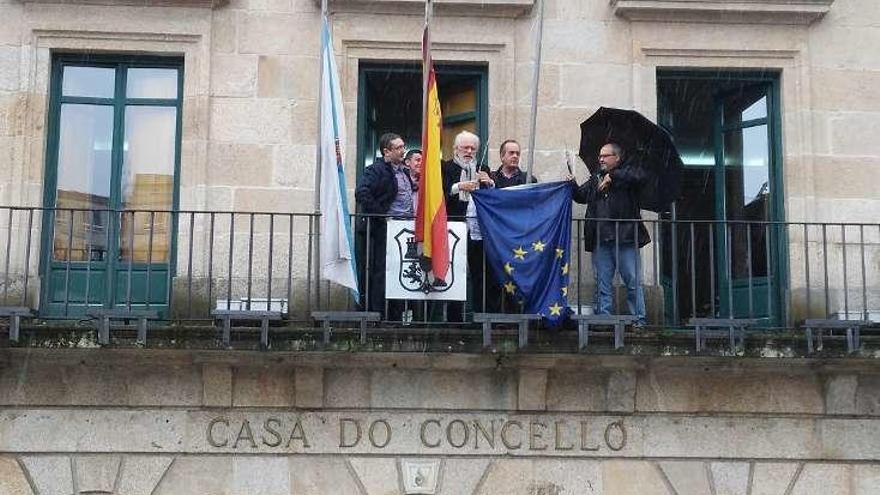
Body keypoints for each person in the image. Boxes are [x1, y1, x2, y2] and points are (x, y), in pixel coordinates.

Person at [571, 142, 649, 326]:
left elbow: (640, 177)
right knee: (602, 284)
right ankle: (603, 320)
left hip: (626, 237)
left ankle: (639, 320)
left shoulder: (628, 173)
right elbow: (581, 196)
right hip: (601, 238)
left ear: (617, 158)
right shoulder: (596, 177)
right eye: (600, 156)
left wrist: (612, 176)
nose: (601, 159)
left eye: (605, 156)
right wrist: (571, 184)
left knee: (632, 281)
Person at [355, 133, 415, 318]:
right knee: (380, 270)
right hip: (383, 229)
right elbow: (361, 193)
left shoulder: (404, 172)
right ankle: (377, 313)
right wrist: (383, 215)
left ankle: (396, 314)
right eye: (398, 148)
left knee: (399, 269)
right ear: (386, 152)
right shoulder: (376, 170)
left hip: (403, 229)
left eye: (403, 146)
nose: (402, 150)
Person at [441, 130, 496, 319]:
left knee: (481, 274)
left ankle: (481, 317)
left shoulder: (484, 169)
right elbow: (439, 193)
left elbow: (494, 200)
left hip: (478, 230)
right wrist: (459, 187)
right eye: (465, 147)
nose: (469, 151)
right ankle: (454, 319)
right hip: (455, 229)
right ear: (456, 149)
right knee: (455, 273)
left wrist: (490, 184)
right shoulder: (446, 167)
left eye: (473, 148)